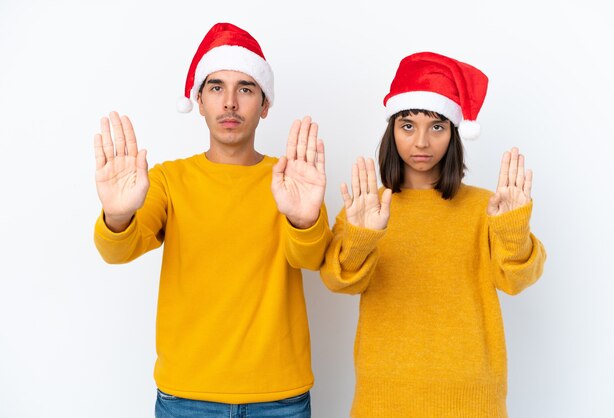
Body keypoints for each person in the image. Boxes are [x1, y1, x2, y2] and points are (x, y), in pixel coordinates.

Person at [93, 22, 331, 418]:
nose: (230, 103)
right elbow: (117, 251)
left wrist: (304, 221)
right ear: (199, 101)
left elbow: (312, 259)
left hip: (279, 398)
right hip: (186, 397)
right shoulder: (169, 181)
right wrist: (118, 214)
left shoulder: (295, 181)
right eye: (217, 87)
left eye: (246, 89)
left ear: (265, 104)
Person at [320, 51, 547, 417]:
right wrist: (363, 237)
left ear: (454, 134)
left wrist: (512, 231)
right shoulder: (368, 208)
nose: (421, 142)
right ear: (391, 131)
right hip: (385, 397)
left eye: (437, 126)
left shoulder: (486, 206)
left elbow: (517, 279)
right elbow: (337, 280)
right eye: (407, 125)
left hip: (473, 398)